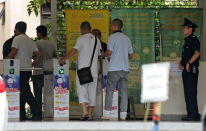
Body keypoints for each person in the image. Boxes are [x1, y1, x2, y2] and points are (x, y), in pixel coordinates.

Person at [59, 21, 102, 121]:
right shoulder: (97, 40)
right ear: (90, 28)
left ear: (82, 29)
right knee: (92, 93)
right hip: (94, 71)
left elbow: (74, 49)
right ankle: (90, 115)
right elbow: (99, 55)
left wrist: (64, 58)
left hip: (83, 70)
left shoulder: (81, 38)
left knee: (82, 91)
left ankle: (84, 111)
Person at [6, 21, 42, 121]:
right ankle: (22, 114)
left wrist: (5, 62)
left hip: (20, 69)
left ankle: (37, 113)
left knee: (26, 92)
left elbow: (13, 52)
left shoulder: (17, 39)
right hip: (28, 70)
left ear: (17, 30)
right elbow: (38, 54)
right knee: (23, 92)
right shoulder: (30, 40)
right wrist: (32, 64)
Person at [101, 18, 133, 120]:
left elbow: (109, 51)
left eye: (111, 25)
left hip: (114, 69)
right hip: (125, 69)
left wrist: (103, 55)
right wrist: (122, 56)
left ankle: (107, 114)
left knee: (110, 91)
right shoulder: (127, 38)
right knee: (124, 92)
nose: (111, 27)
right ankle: (123, 116)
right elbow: (131, 55)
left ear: (115, 26)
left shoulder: (112, 37)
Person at [32, 25, 57, 119]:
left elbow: (33, 56)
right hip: (49, 72)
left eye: (37, 33)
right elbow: (55, 56)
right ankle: (49, 114)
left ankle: (38, 115)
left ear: (39, 33)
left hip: (38, 72)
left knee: (38, 95)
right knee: (48, 95)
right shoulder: (51, 44)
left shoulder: (36, 44)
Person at [179, 18, 200, 121]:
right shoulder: (187, 40)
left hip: (191, 69)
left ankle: (194, 114)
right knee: (188, 92)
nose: (183, 29)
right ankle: (191, 114)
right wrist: (181, 62)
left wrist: (188, 63)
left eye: (184, 28)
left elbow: (197, 53)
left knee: (191, 91)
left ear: (190, 29)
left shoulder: (193, 40)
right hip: (187, 70)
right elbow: (188, 55)